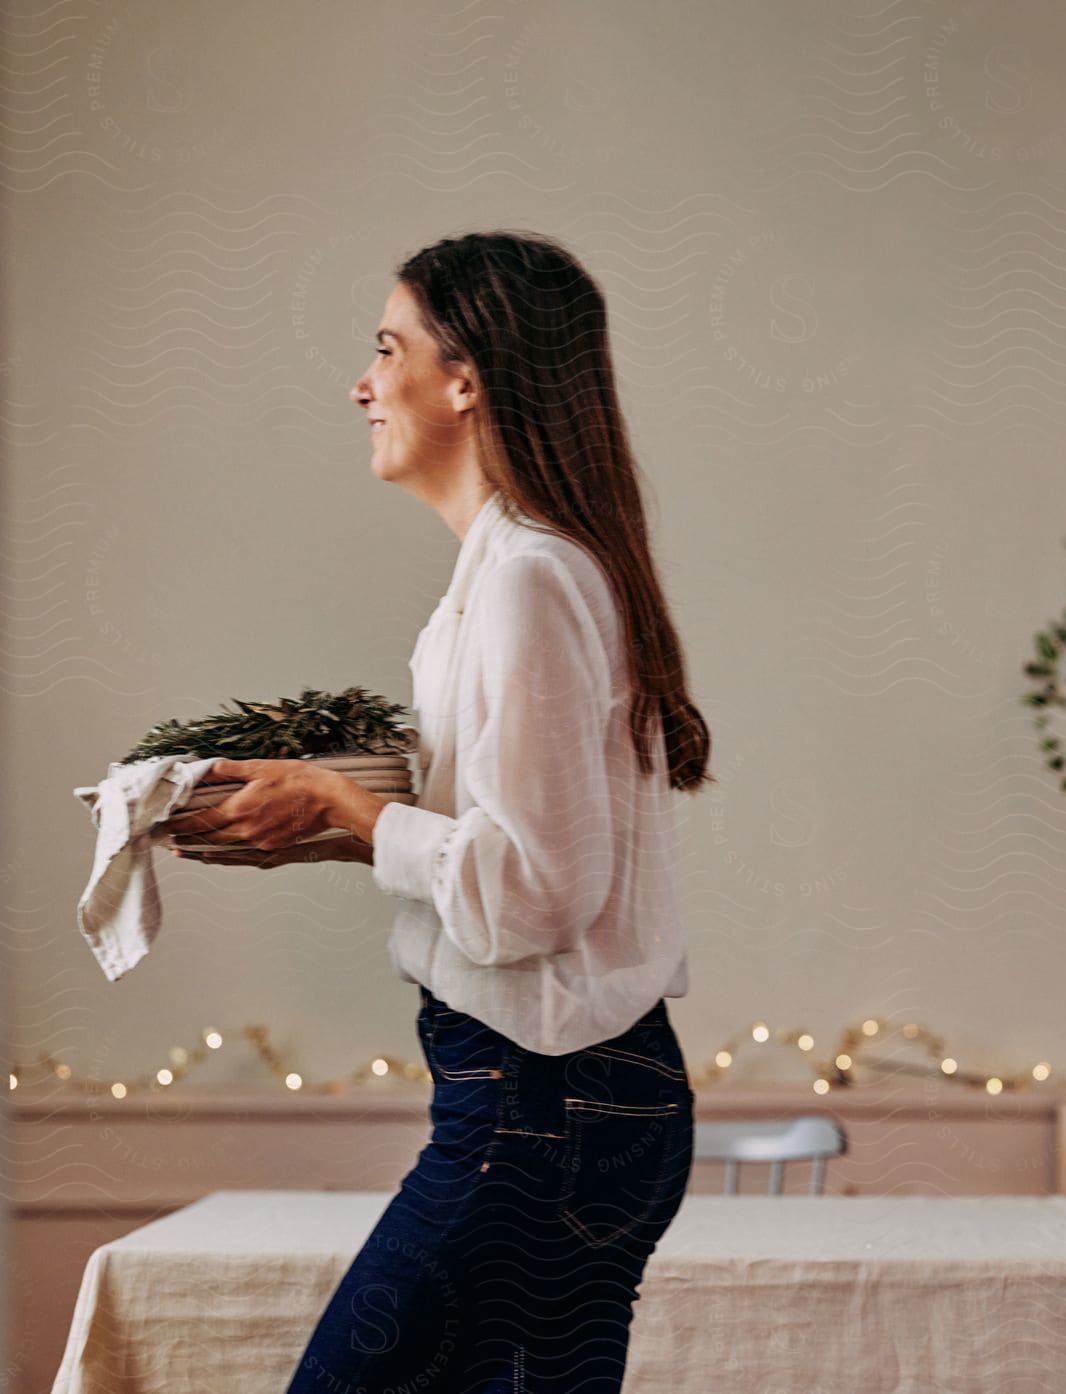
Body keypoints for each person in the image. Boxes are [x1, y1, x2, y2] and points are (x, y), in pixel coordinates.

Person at [162, 229, 712, 1393]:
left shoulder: (526, 579)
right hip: (562, 1098)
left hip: (542, 1102)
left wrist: (348, 811)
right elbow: (513, 849)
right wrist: (320, 823)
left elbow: (535, 895)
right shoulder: (514, 576)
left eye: (386, 348)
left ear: (466, 378)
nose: (362, 383)